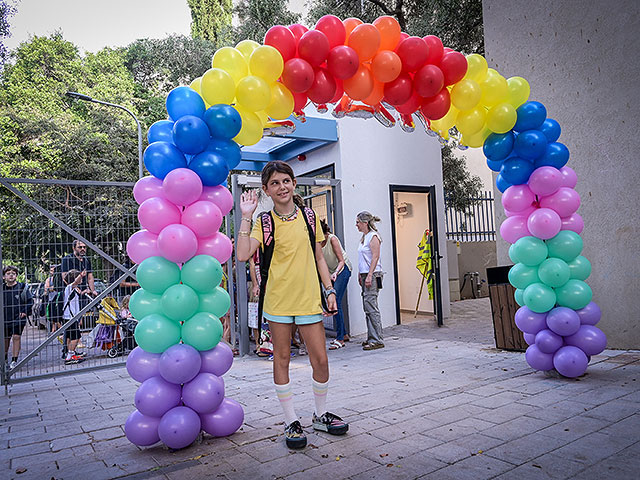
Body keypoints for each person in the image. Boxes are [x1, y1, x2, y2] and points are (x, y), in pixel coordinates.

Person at [236, 160, 348, 449]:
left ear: (294, 183)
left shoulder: (310, 218)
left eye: (285, 181)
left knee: (320, 360)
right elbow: (242, 254)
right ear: (266, 190)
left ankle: (320, 414)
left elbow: (319, 258)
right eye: (274, 183)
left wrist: (329, 290)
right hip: (278, 302)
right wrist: (246, 216)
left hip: (309, 300)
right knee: (282, 359)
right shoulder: (264, 222)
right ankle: (290, 420)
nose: (281, 187)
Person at [319, 219, 352, 350]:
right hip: (330, 272)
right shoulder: (316, 243)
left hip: (343, 270)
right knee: (332, 300)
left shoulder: (332, 239)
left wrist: (336, 273)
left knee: (336, 300)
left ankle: (340, 339)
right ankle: (344, 334)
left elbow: (341, 261)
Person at [356, 211, 385, 351]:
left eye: (358, 222)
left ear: (365, 223)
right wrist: (360, 273)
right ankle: (371, 336)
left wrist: (369, 275)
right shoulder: (364, 237)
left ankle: (377, 339)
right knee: (367, 307)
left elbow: (375, 257)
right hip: (365, 274)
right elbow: (363, 258)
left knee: (371, 306)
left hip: (372, 275)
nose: (356, 225)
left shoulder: (373, 237)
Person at [3, 265, 33, 369]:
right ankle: (4, 359)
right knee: (5, 339)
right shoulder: (2, 288)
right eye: (8, 273)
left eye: (13, 273)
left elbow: (30, 301)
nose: (11, 275)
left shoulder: (22, 288)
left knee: (16, 337)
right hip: (5, 319)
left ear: (16, 276)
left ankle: (14, 360)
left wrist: (24, 312)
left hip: (18, 318)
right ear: (4, 277)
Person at [61, 269, 86, 365]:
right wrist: (81, 275)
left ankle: (70, 353)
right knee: (76, 337)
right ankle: (70, 356)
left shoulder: (74, 289)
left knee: (69, 337)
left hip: (71, 317)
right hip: (70, 317)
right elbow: (75, 282)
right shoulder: (69, 287)